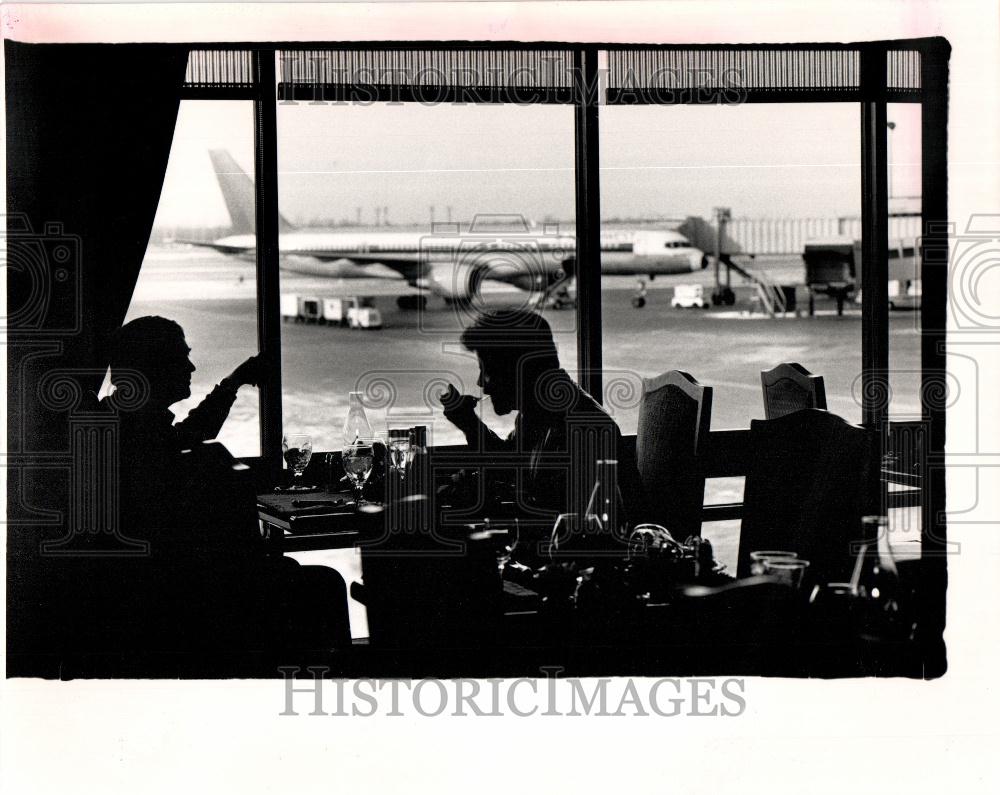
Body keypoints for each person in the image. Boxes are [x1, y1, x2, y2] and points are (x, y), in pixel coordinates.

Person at [95, 315, 349, 657]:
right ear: (155, 366)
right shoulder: (136, 433)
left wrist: (233, 383)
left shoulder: (124, 421)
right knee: (325, 585)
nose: (191, 367)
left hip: (161, 589)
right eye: (181, 357)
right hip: (183, 592)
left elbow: (190, 434)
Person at [441, 309, 644, 554]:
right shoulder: (538, 412)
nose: (481, 383)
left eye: (487, 370)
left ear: (518, 370)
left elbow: (595, 539)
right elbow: (508, 466)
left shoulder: (584, 429)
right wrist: (469, 425)